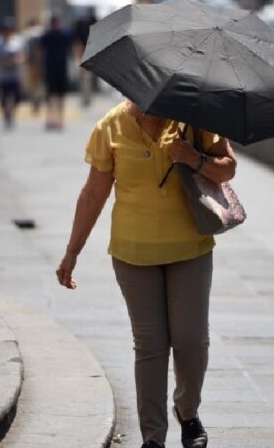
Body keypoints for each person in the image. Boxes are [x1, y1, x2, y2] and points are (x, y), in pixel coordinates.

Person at [56, 100, 237, 448]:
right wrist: (72, 253)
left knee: (191, 340)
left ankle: (187, 411)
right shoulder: (110, 126)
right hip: (133, 253)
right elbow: (94, 192)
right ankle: (153, 438)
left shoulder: (193, 119)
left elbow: (227, 167)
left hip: (190, 250)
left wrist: (192, 157)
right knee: (151, 346)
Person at [0, 17, 24, 130]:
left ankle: (11, 113)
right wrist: (3, 61)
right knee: (3, 98)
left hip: (15, 75)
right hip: (2, 75)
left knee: (17, 97)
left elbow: (23, 55)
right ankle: (6, 115)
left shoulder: (18, 40)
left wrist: (16, 61)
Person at [40, 16, 72, 130]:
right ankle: (50, 118)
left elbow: (71, 48)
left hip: (62, 68)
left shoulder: (65, 35)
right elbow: (40, 50)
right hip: (50, 69)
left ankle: (60, 119)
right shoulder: (46, 36)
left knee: (61, 96)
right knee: (50, 95)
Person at [72, 12, 96, 108]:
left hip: (81, 57)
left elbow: (76, 47)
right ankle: (87, 98)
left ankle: (85, 98)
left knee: (83, 79)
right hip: (86, 57)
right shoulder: (88, 36)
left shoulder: (78, 36)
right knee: (87, 79)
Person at [22, 17, 44, 115]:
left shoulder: (26, 33)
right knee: (39, 83)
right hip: (41, 62)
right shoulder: (41, 32)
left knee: (32, 84)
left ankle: (35, 104)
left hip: (31, 62)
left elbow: (24, 50)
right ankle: (38, 103)